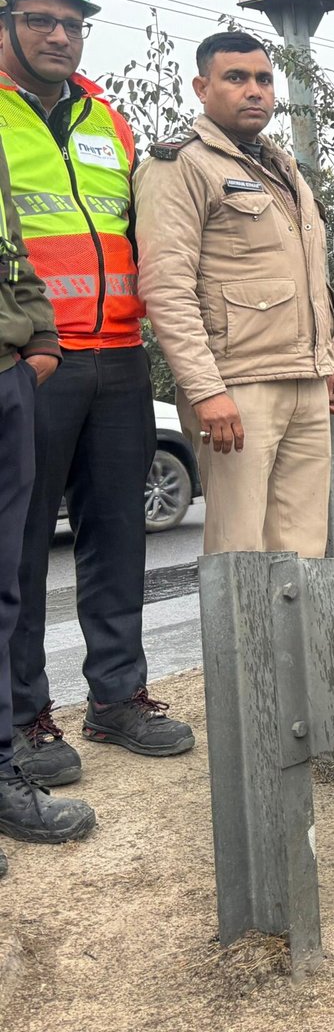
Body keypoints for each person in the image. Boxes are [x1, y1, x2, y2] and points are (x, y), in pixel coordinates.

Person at [0, 0, 193, 783]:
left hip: (118, 355)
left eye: (73, 24)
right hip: (31, 363)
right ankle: (22, 719)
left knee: (117, 536)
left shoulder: (106, 119)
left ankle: (116, 697)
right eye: (41, 20)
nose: (61, 36)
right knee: (16, 550)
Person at [134, 30, 334, 558]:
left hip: (306, 379)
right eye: (236, 78)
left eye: (264, 79)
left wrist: (332, 362)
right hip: (236, 385)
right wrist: (206, 390)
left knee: (304, 554)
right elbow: (166, 287)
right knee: (240, 555)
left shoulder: (283, 167)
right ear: (201, 87)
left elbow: (311, 276)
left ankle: (297, 627)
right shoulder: (180, 165)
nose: (255, 90)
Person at [0, 137, 95, 873]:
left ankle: (2, 773)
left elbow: (15, 254)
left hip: (7, 377)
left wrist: (42, 341)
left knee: (2, 590)